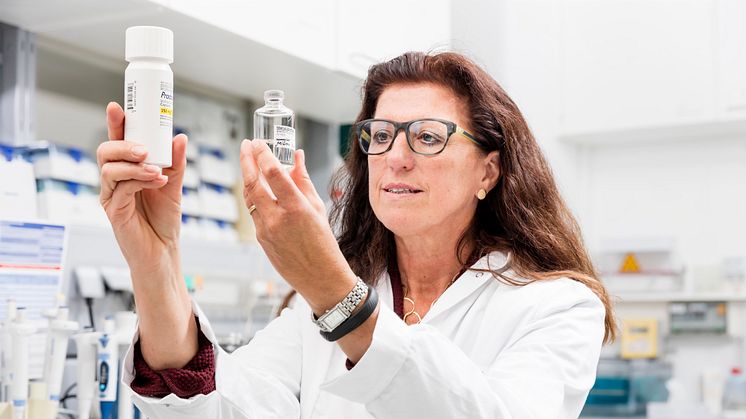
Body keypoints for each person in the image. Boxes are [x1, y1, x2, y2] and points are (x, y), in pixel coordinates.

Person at [97, 51, 615, 419]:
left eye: (429, 137)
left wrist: (337, 295)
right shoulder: (315, 308)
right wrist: (155, 261)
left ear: (489, 173)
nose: (396, 157)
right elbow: (214, 407)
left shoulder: (558, 306)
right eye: (381, 135)